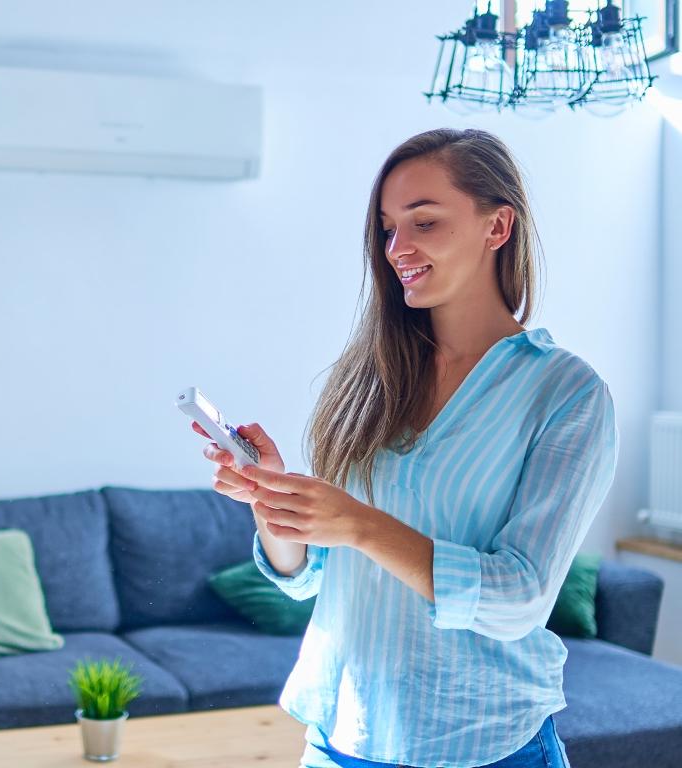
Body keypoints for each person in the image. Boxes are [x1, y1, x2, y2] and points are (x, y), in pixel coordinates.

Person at [192, 128, 618, 768]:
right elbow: (308, 578)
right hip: (341, 737)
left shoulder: (565, 393)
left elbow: (519, 597)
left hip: (483, 742)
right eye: (388, 228)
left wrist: (359, 525)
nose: (398, 249)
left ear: (497, 226)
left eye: (424, 222)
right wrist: (273, 498)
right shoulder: (369, 377)